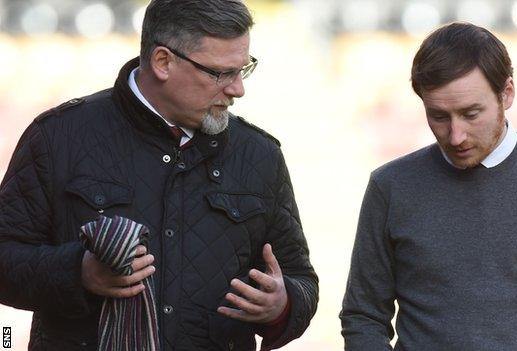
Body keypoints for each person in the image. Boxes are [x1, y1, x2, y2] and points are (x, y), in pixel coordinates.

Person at [0, 0, 318, 350]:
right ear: (163, 62)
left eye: (243, 69)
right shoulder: (58, 137)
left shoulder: (260, 155)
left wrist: (282, 305)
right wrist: (78, 272)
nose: (237, 89)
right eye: (220, 73)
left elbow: (300, 279)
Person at [340, 22, 517, 350]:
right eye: (439, 116)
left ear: (507, 93)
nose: (456, 135)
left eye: (471, 114)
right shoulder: (390, 186)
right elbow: (363, 316)